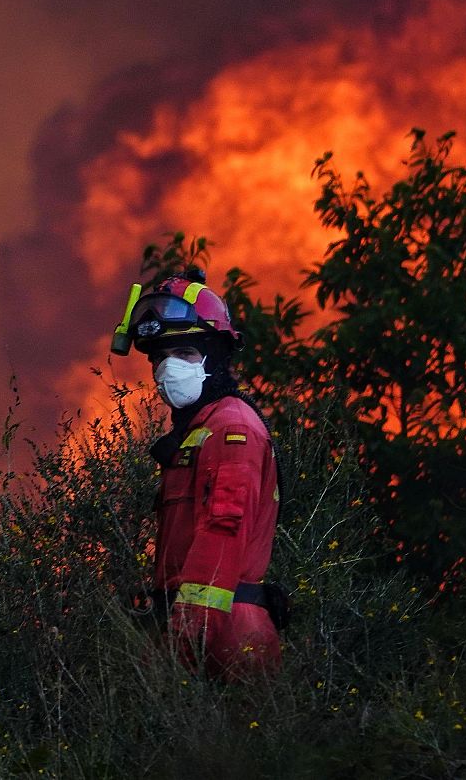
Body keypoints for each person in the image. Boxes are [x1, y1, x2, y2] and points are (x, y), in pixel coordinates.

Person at [116, 269, 282, 679]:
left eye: (185, 354)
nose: (167, 369)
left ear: (217, 356)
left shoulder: (231, 430)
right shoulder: (199, 430)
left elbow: (221, 535)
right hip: (202, 631)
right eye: (159, 358)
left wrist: (184, 644)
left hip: (223, 639)